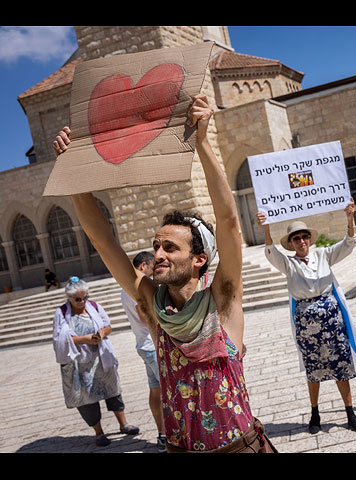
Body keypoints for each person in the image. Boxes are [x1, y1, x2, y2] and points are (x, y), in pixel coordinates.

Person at [53, 94, 276, 453]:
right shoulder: (154, 306)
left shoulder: (222, 301)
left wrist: (202, 141)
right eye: (156, 246)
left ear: (200, 259)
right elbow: (101, 238)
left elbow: (230, 224)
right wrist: (75, 173)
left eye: (170, 248)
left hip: (239, 447)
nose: (157, 254)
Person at [256, 200, 356, 434]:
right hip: (307, 324)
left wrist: (349, 218)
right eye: (296, 238)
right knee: (313, 367)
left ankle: (350, 413)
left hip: (332, 320)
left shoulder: (324, 255)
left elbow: (348, 244)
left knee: (341, 364)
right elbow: (270, 252)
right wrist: (266, 228)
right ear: (291, 243)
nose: (302, 241)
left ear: (309, 238)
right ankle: (315, 413)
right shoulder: (289, 264)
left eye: (304, 236)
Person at [52, 276, 140, 447]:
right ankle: (99, 432)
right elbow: (59, 339)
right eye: (78, 299)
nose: (83, 301)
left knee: (113, 391)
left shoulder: (93, 306)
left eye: (85, 297)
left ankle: (123, 424)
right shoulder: (61, 313)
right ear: (69, 298)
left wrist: (101, 334)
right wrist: (83, 339)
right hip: (80, 365)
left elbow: (108, 326)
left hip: (101, 359)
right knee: (87, 399)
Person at [120, 251, 166, 452]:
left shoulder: (126, 287)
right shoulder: (138, 285)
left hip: (144, 345)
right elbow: (144, 316)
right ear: (142, 267)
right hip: (152, 345)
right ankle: (173, 435)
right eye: (152, 266)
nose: (154, 270)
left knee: (156, 390)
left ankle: (163, 434)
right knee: (168, 391)